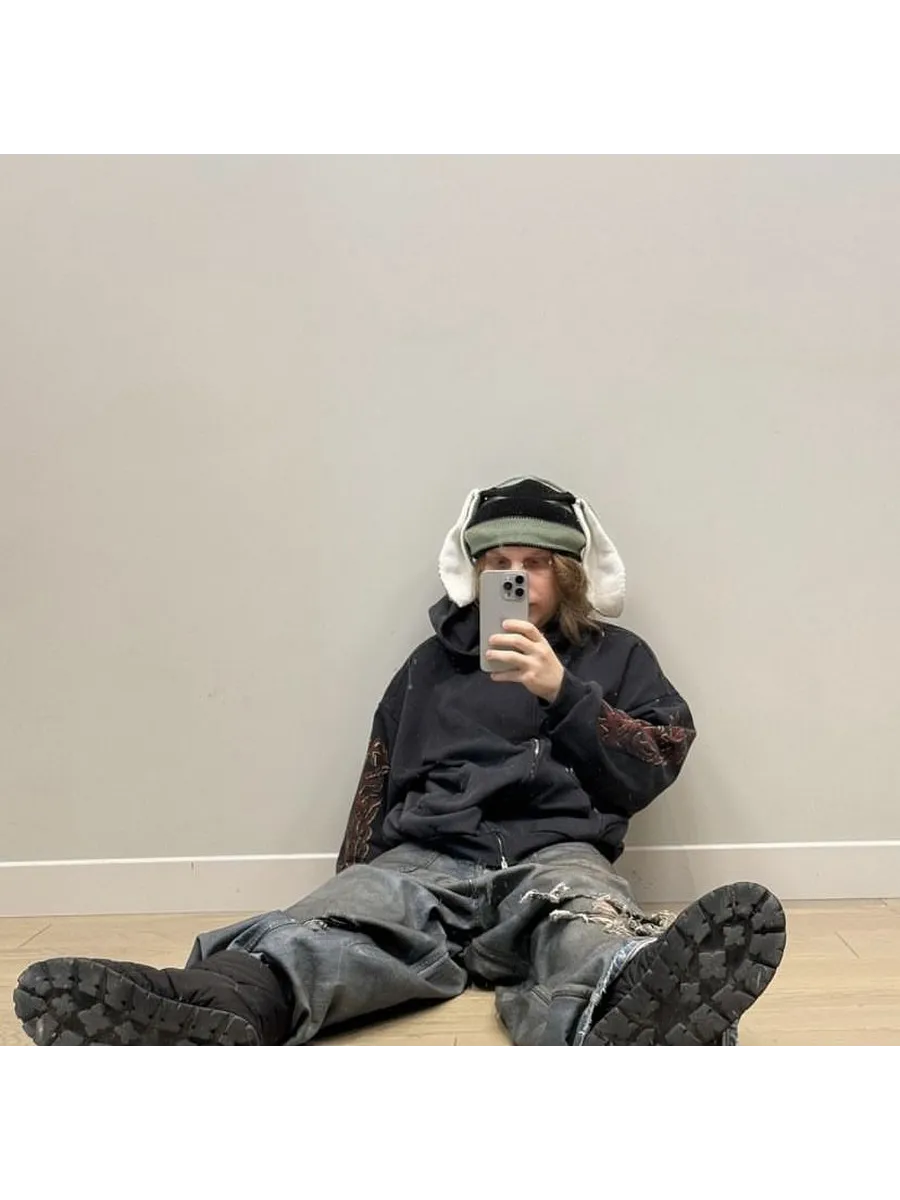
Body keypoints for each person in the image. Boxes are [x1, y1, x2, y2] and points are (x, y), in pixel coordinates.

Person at [14, 476, 786, 1048]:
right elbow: (377, 779)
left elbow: (658, 757)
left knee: (584, 925)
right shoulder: (429, 665)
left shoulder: (616, 657)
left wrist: (563, 691)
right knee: (339, 924)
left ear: (570, 573)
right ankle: (216, 1007)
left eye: (536, 562)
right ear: (477, 572)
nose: (517, 577)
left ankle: (628, 1011)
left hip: (557, 853)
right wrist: (353, 881)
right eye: (500, 562)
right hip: (428, 852)